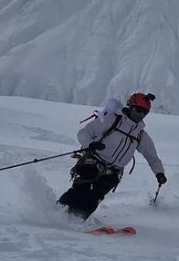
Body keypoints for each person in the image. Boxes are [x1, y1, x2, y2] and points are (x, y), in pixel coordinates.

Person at [58, 92, 167, 220]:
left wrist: (159, 173)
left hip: (113, 172)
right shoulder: (111, 120)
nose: (141, 114)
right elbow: (84, 133)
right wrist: (90, 144)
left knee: (94, 198)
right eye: (138, 110)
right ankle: (58, 213)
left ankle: (74, 220)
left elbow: (152, 157)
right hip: (93, 162)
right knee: (80, 191)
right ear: (130, 106)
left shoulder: (141, 135)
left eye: (145, 112)